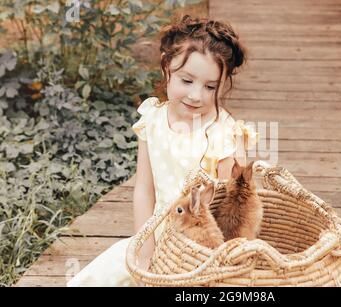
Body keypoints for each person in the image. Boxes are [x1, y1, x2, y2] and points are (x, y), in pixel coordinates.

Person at [66, 15, 258, 286]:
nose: (196, 95)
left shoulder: (225, 135)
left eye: (210, 86)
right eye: (186, 81)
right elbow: (144, 189)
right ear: (167, 67)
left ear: (223, 83)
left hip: (201, 251)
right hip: (155, 239)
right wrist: (145, 253)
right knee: (97, 279)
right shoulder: (152, 120)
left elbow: (231, 214)